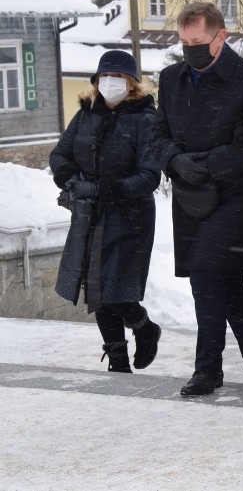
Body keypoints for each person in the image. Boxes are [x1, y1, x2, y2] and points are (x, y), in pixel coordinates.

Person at [151, 2, 243, 396]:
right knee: (227, 283)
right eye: (184, 40)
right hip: (191, 196)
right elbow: (157, 134)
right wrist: (173, 159)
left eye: (199, 41)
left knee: (206, 277)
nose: (191, 47)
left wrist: (211, 162)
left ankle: (208, 370)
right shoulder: (171, 78)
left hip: (237, 196)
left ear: (221, 36)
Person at [50, 50, 161, 373]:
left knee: (116, 289)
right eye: (105, 77)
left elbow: (149, 175)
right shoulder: (86, 115)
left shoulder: (145, 119)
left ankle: (143, 327)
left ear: (132, 84)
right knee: (97, 290)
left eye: (119, 77)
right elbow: (60, 153)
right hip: (89, 215)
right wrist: (70, 179)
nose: (111, 83)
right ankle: (117, 360)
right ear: (96, 81)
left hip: (130, 218)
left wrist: (105, 189)